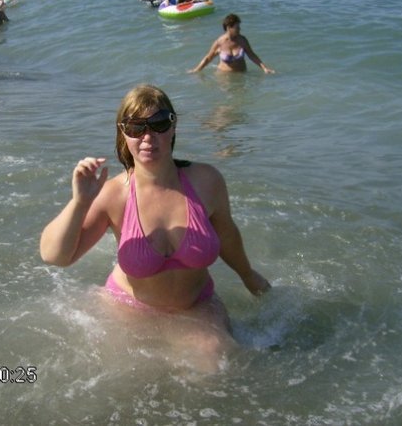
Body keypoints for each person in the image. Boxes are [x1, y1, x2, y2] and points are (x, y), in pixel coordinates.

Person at [39, 84, 271, 347]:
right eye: (136, 127)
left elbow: (226, 233)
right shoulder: (114, 195)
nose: (148, 137)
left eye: (159, 124)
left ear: (173, 126)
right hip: (127, 309)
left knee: (218, 357)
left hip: (197, 307)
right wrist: (80, 202)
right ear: (123, 133)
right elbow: (55, 256)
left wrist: (248, 275)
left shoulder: (206, 181)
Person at [189, 13, 275, 74]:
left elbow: (252, 55)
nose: (239, 29)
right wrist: (196, 70)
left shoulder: (242, 40)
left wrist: (265, 68)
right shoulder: (219, 42)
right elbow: (208, 58)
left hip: (241, 76)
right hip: (224, 77)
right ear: (229, 27)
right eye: (237, 27)